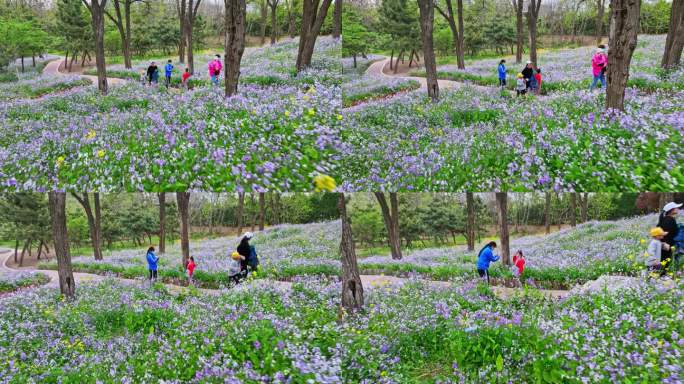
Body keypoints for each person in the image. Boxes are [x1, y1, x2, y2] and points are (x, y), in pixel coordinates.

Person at [658, 202, 681, 275]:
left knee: (664, 262)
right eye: (676, 208)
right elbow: (664, 233)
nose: (678, 209)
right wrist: (664, 243)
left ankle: (660, 276)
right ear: (672, 210)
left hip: (666, 244)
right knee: (664, 261)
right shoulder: (669, 220)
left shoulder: (667, 219)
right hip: (666, 245)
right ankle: (660, 277)